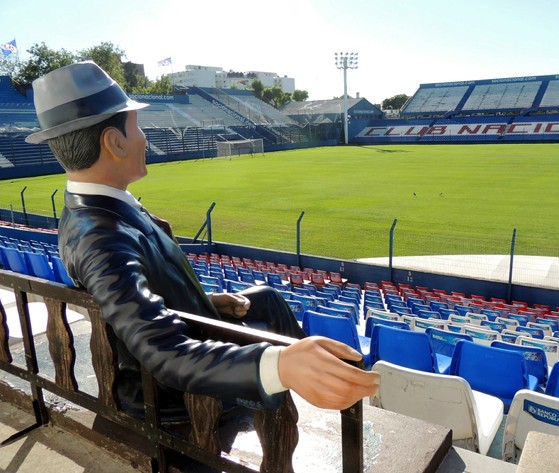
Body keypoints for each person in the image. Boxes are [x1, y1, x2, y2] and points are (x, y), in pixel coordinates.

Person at [26, 61, 378, 417]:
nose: (144, 138)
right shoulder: (99, 236)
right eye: (138, 128)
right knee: (281, 342)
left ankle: (331, 389)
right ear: (115, 142)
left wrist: (203, 300)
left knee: (267, 299)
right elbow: (162, 351)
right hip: (175, 397)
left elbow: (139, 294)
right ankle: (325, 396)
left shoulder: (99, 208)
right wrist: (281, 365)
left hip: (193, 329)